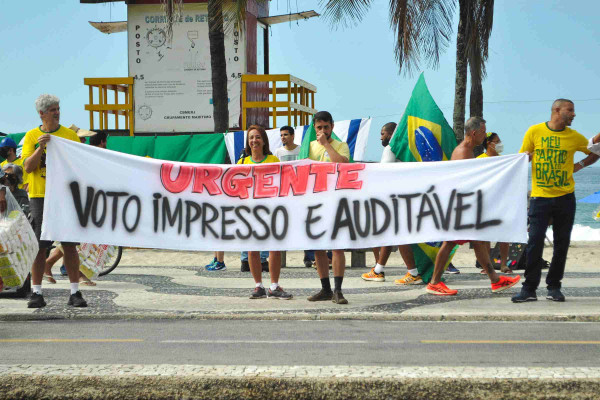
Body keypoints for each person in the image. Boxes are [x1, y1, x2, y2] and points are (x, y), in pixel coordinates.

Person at [427, 117, 521, 296]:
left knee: (478, 242)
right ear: (474, 132)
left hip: (463, 206)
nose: (485, 136)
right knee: (449, 243)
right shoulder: (463, 152)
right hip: (459, 207)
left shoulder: (468, 150)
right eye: (483, 132)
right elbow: (463, 183)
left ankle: (495, 280)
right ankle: (434, 283)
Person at [512, 99, 592, 303]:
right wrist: (527, 157)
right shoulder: (535, 131)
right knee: (534, 243)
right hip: (540, 197)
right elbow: (522, 158)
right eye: (570, 110)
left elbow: (596, 151)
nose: (574, 114)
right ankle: (529, 289)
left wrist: (580, 165)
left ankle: (554, 287)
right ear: (557, 110)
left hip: (565, 197)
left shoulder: (574, 136)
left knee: (561, 244)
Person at [22, 94, 88, 308]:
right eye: (52, 110)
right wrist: (40, 147)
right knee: (40, 246)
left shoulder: (69, 135)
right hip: (40, 196)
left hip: (64, 196)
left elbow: (80, 165)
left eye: (58, 108)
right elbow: (28, 167)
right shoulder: (31, 136)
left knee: (69, 245)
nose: (57, 112)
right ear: (41, 114)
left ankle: (75, 292)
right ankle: (36, 293)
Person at [237, 125, 292, 299]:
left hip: (271, 212)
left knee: (274, 249)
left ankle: (274, 286)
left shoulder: (273, 160)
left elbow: (283, 183)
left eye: (258, 137)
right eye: (251, 137)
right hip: (250, 213)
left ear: (264, 141)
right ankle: (258, 286)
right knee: (252, 250)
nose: (254, 140)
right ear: (248, 142)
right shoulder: (242, 163)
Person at [305, 111, 350, 304]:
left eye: (326, 127)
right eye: (319, 127)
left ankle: (338, 291)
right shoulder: (309, 147)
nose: (322, 130)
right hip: (316, 201)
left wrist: (326, 145)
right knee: (318, 247)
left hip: (337, 201)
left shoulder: (341, 145)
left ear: (332, 126)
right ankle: (325, 289)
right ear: (314, 128)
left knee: (337, 247)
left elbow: (342, 165)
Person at [476, 132, 512, 274]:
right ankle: (488, 265)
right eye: (496, 141)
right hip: (485, 201)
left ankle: (503, 264)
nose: (499, 143)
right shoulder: (480, 160)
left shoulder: (503, 160)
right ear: (488, 143)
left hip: (501, 200)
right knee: (485, 236)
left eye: (499, 141)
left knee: (504, 234)